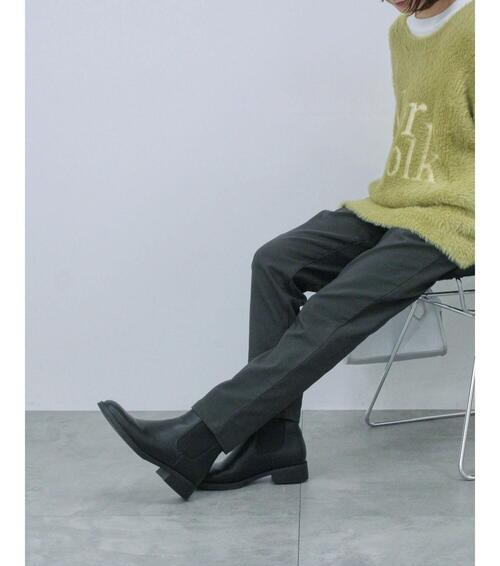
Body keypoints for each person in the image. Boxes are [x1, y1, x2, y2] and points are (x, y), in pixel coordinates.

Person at [98, 0, 475, 500]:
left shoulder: (480, 26)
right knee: (276, 261)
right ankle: (273, 442)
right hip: (399, 201)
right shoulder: (401, 34)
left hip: (462, 217)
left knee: (336, 303)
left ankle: (197, 434)